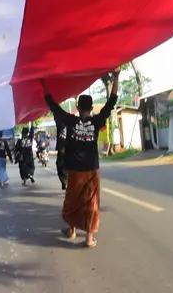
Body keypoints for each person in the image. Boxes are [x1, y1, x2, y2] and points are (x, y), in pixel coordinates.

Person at [42, 69, 119, 248]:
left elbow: (51, 104)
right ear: (91, 108)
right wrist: (116, 77)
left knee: (73, 200)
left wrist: (43, 82)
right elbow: (112, 101)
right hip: (91, 169)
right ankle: (89, 238)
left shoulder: (71, 121)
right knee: (92, 203)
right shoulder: (97, 121)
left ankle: (72, 230)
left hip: (75, 170)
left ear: (78, 107)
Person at [54, 120, 69, 190]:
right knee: (61, 166)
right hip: (64, 151)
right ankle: (65, 182)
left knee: (61, 166)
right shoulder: (61, 126)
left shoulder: (61, 127)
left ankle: (65, 182)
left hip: (65, 151)